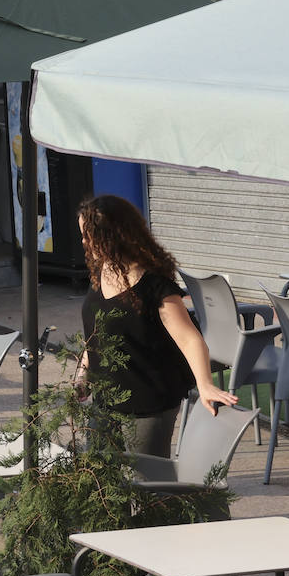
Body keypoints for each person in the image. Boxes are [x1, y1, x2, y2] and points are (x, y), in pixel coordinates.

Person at [76, 194, 239, 457]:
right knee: (100, 483)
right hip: (105, 401)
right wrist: (84, 371)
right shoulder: (101, 272)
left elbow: (190, 339)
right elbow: (97, 331)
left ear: (112, 234)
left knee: (148, 486)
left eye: (89, 234)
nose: (83, 241)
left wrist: (205, 384)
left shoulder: (155, 286)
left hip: (148, 403)